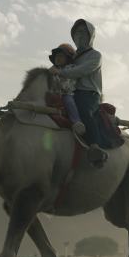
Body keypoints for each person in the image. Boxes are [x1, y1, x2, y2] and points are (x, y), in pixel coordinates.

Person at [49, 19, 107, 167]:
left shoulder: (95, 56)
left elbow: (81, 71)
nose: (79, 36)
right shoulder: (73, 57)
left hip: (88, 92)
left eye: (83, 32)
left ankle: (95, 146)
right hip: (68, 90)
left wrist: (61, 72)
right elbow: (61, 66)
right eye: (76, 33)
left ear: (91, 36)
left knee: (83, 108)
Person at [48, 43, 85, 135]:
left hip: (65, 93)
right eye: (56, 56)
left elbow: (67, 86)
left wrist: (57, 75)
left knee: (68, 100)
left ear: (68, 58)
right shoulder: (51, 70)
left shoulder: (71, 69)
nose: (58, 58)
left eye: (61, 56)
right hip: (51, 94)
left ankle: (76, 122)